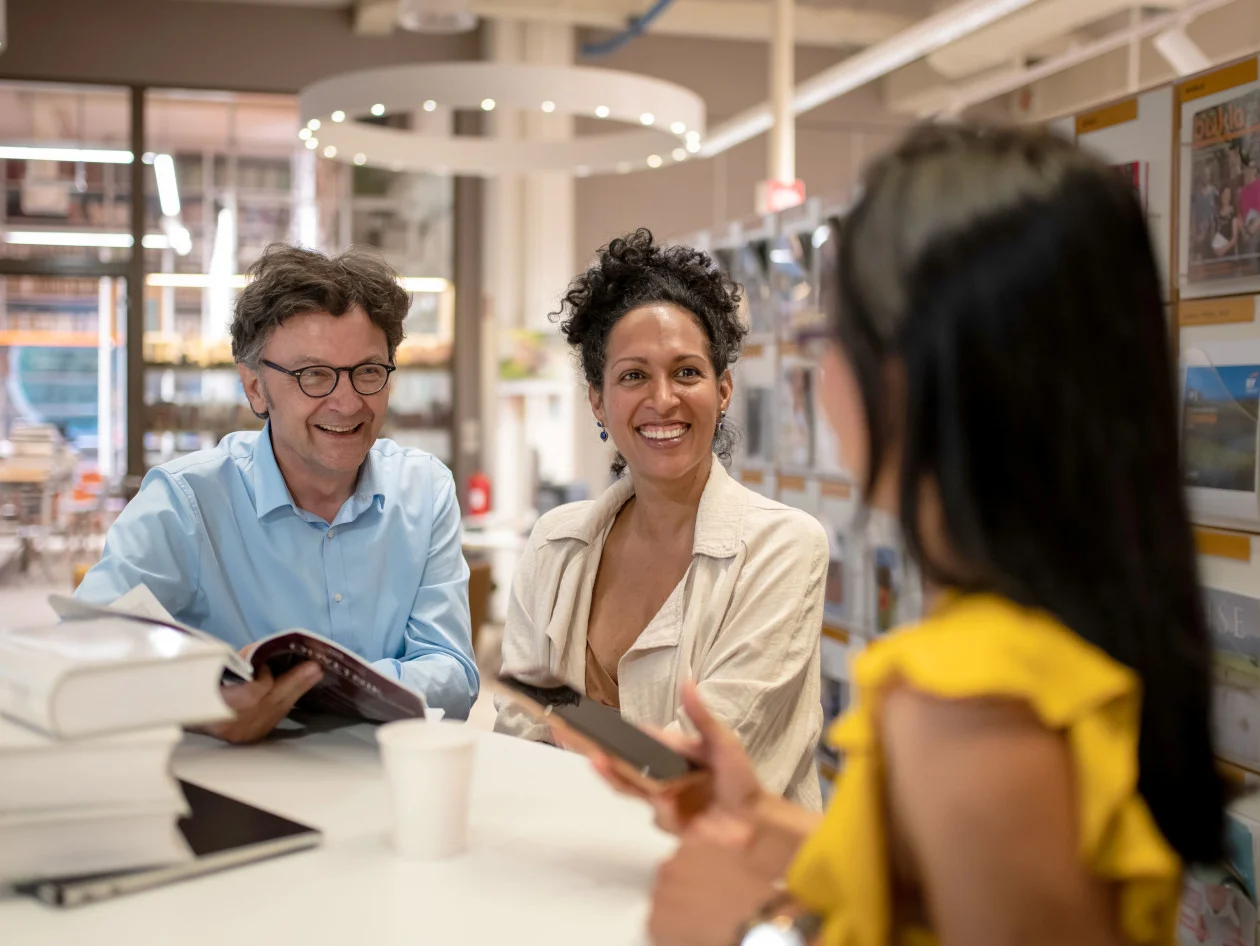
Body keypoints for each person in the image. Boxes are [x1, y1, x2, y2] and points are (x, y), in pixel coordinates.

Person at [591, 126, 1224, 946]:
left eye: (836, 338)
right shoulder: (1045, 640)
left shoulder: (978, 702)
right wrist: (753, 818)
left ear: (922, 374)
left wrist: (744, 931)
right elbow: (938, 888)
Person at [77, 244, 479, 741]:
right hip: (234, 792)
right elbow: (80, 655)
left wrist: (319, 691)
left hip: (386, 783)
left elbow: (454, 676)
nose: (348, 401)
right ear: (255, 389)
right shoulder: (187, 502)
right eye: (314, 375)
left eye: (369, 371)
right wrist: (201, 705)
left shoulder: (425, 489)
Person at [495, 229, 828, 809]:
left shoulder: (783, 547)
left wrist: (563, 745)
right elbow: (518, 735)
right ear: (598, 402)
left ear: (723, 390)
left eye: (687, 373)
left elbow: (703, 763)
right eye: (632, 376)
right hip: (567, 868)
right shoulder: (556, 543)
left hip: (726, 881)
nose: (663, 400)